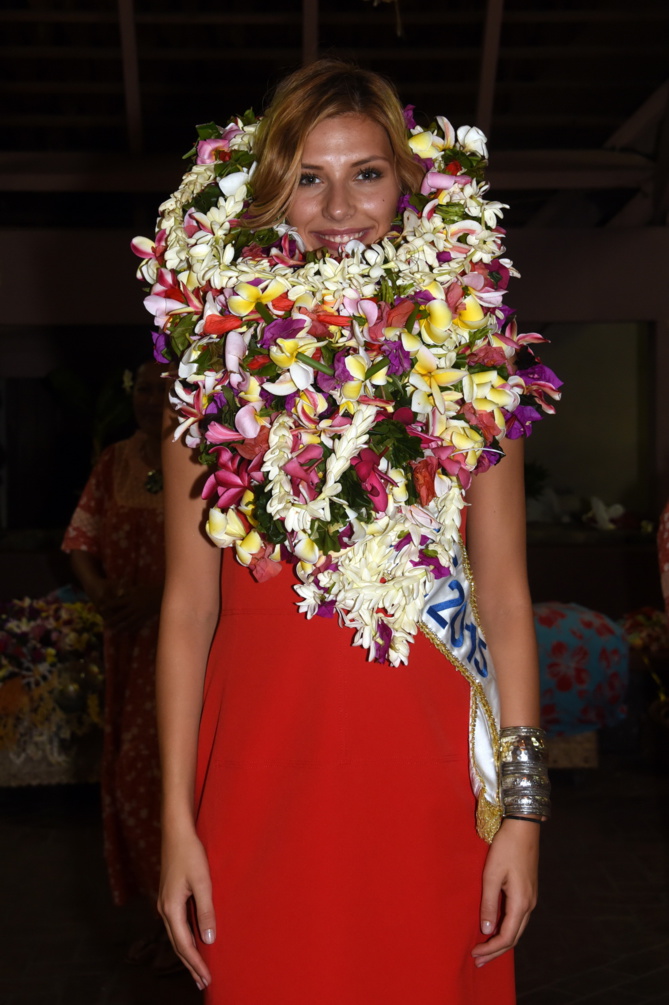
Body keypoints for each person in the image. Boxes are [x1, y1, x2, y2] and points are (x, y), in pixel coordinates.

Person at [149, 60, 554, 1004]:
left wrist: (523, 817)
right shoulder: (206, 378)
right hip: (258, 782)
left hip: (426, 789)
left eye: (366, 173)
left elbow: (499, 597)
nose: (338, 206)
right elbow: (184, 608)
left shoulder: (470, 367)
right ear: (267, 194)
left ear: (407, 190)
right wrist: (176, 821)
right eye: (307, 176)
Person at [63, 361, 174, 967]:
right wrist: (103, 591)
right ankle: (163, 922)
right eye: (143, 389)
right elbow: (79, 541)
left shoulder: (205, 462)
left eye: (163, 389)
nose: (151, 400)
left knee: (175, 779)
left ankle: (190, 929)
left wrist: (160, 595)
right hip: (129, 649)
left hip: (186, 646)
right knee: (136, 777)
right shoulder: (114, 462)